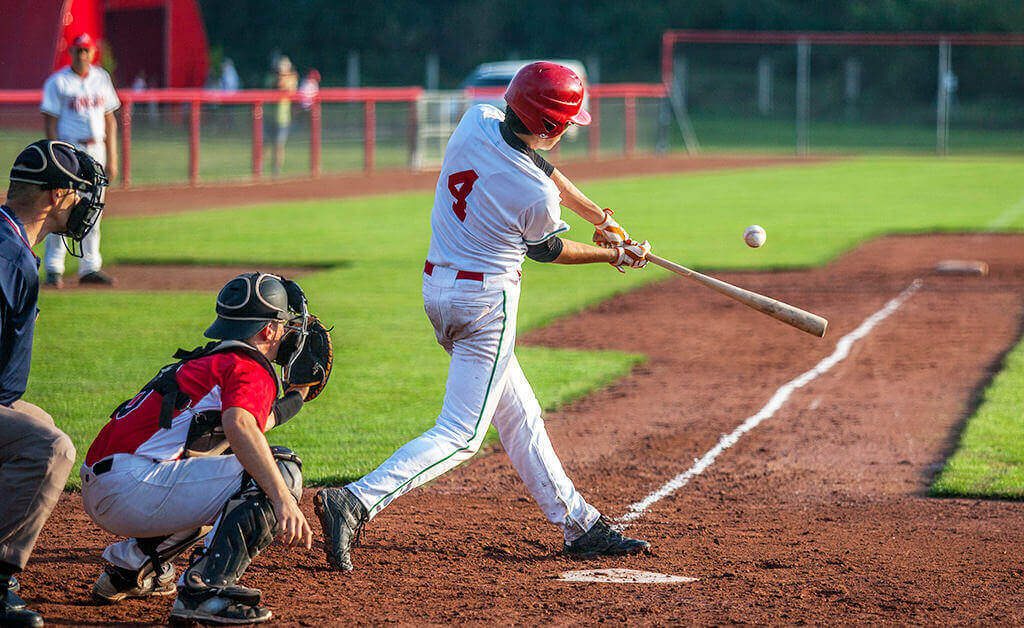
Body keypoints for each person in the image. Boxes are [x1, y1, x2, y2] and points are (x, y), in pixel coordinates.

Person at [316, 61, 652, 572]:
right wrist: (615, 256)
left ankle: (578, 524)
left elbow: (537, 164)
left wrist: (601, 219)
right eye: (565, 122)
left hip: (437, 289)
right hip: (484, 307)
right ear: (551, 126)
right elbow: (546, 250)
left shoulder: (476, 120)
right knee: (462, 434)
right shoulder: (534, 196)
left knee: (519, 415)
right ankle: (356, 500)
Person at [79, 273, 324, 625]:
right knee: (277, 471)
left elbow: (253, 422)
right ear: (267, 330)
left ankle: (130, 567)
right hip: (134, 487)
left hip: (112, 482)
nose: (289, 332)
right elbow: (240, 426)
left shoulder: (216, 360)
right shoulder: (248, 367)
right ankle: (206, 591)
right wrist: (283, 498)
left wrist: (296, 398)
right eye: (285, 324)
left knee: (231, 471)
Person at [0, 139, 109, 626]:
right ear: (53, 196)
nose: (84, 204)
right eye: (77, 192)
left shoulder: (9, 241)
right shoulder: (8, 257)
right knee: (51, 448)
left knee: (36, 423)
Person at [40, 33, 120, 288]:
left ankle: (90, 267)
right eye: (78, 50)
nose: (82, 54)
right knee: (60, 207)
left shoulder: (101, 78)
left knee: (93, 209)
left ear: (92, 53)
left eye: (86, 50)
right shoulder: (58, 82)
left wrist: (113, 157)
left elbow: (110, 119)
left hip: (96, 148)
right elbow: (50, 123)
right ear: (71, 52)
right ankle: (54, 268)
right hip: (69, 150)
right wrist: (55, 158)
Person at [271, 56, 298, 176]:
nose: (281, 67)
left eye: (284, 65)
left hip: (283, 118)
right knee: (264, 144)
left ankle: (276, 170)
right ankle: (258, 169)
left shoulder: (291, 78)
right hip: (269, 117)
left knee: (279, 144)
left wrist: (285, 77)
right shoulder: (272, 77)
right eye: (280, 65)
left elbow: (287, 87)